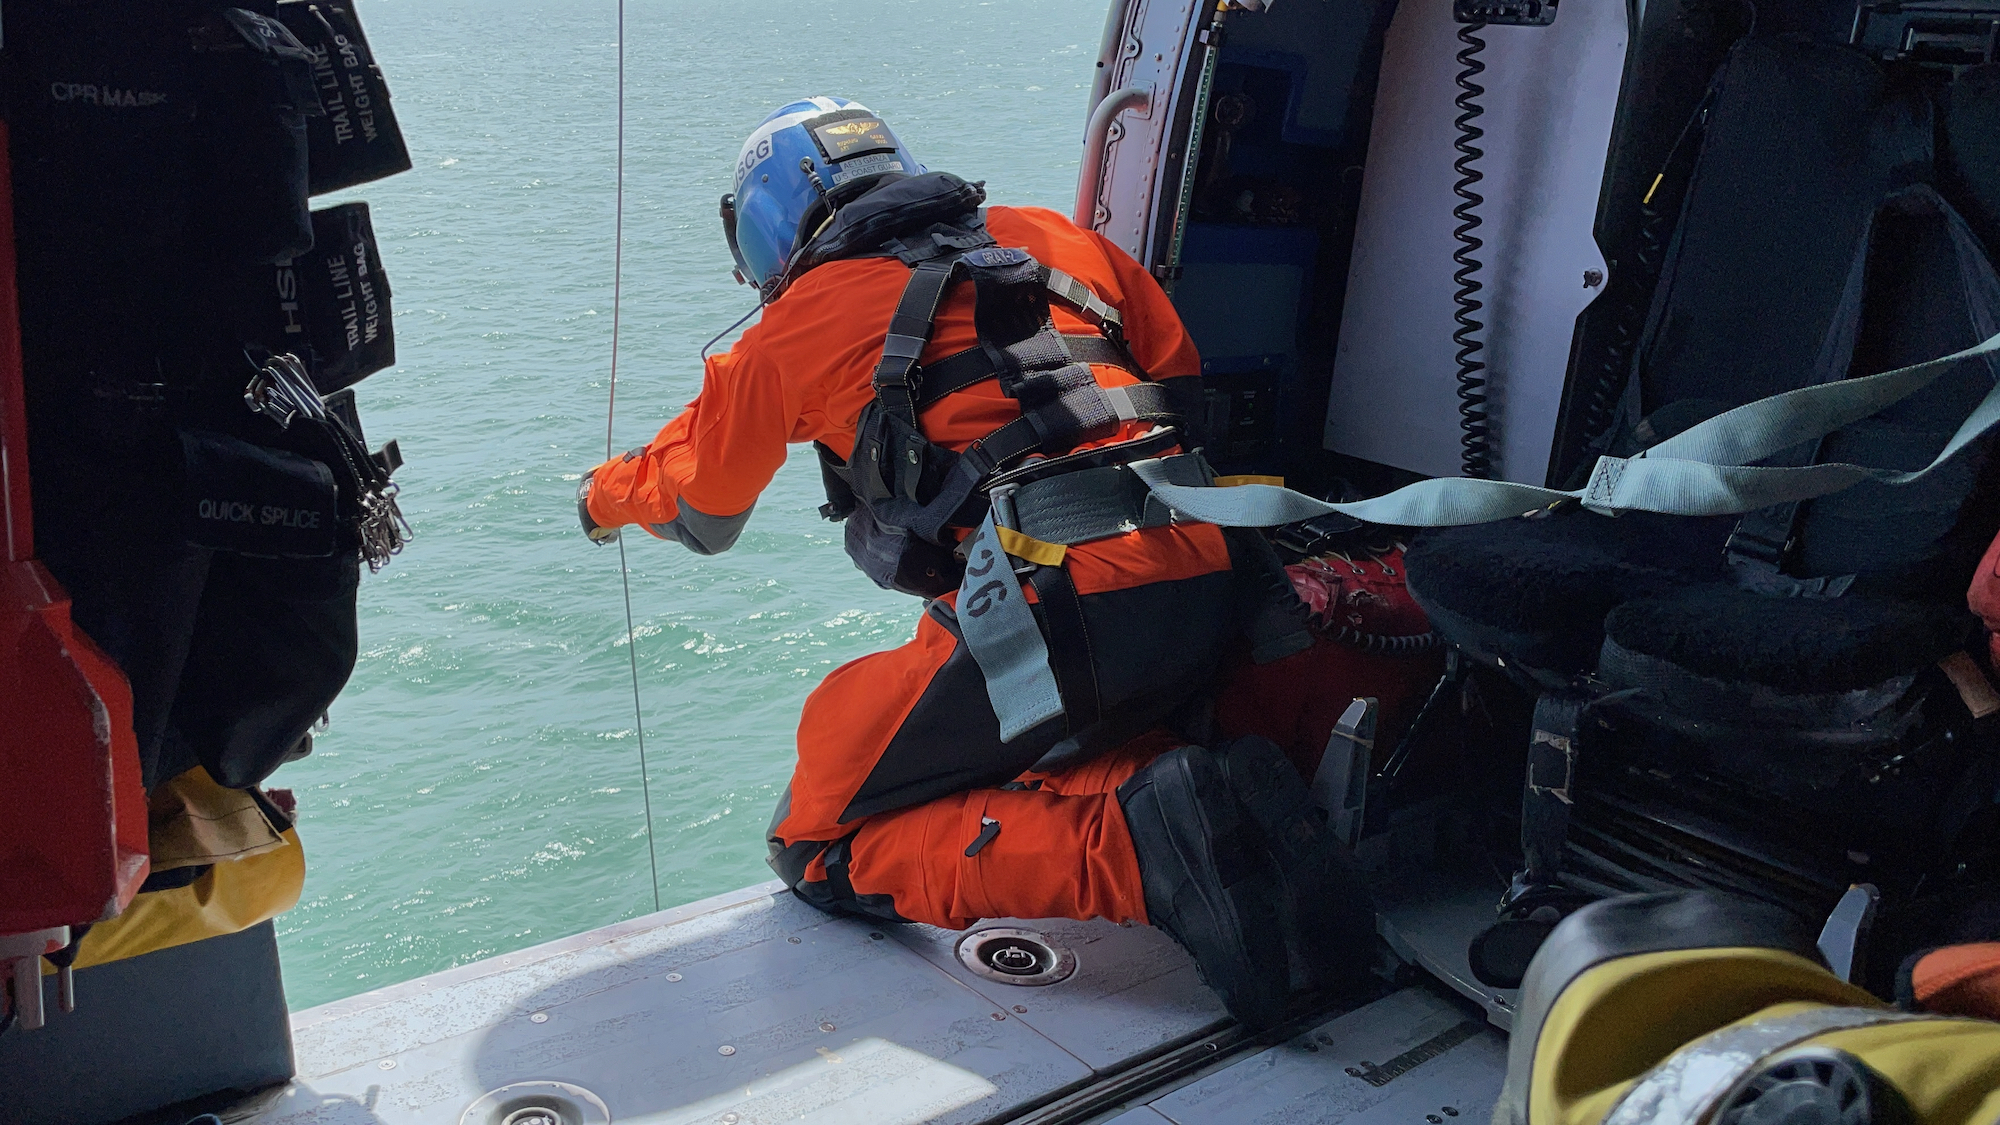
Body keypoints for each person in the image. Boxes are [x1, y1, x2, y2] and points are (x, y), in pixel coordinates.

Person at [576, 97, 1371, 1027]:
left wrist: (603, 498)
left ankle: (1128, 847)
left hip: (1054, 616)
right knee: (1054, 728)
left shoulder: (794, 326)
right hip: (1211, 576)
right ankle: (1194, 790)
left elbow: (702, 506)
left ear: (760, 231)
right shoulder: (1057, 239)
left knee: (817, 838)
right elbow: (1180, 383)